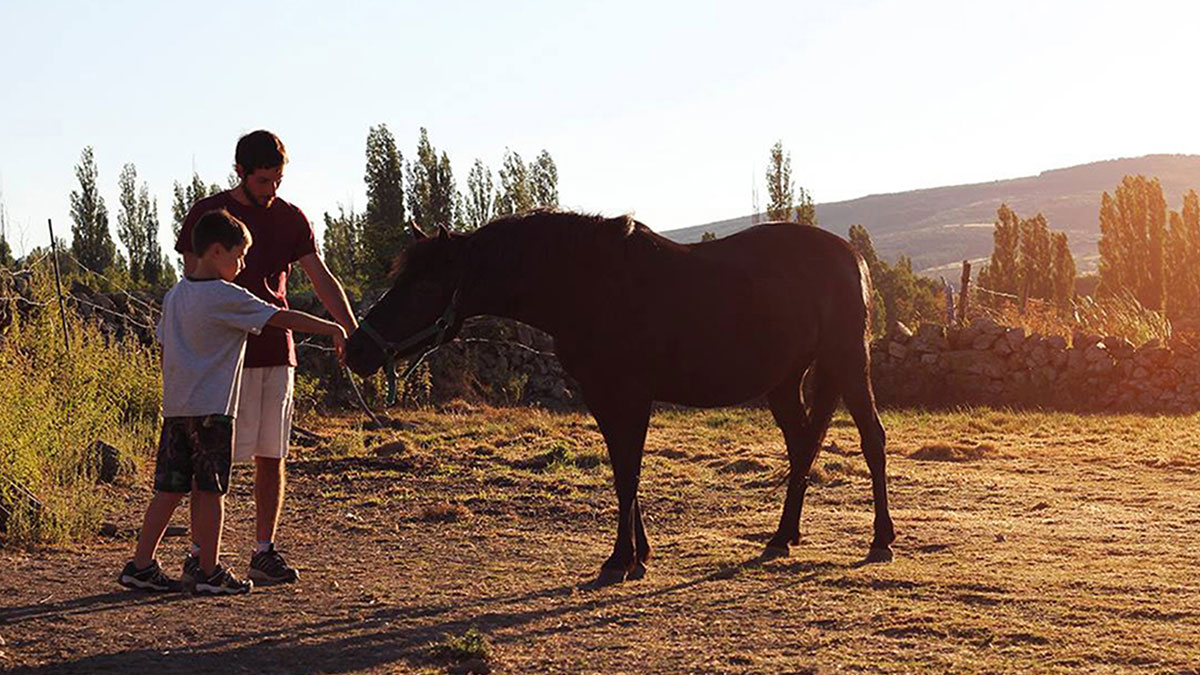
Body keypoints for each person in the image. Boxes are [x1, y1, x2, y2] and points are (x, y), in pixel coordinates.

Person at [119, 209, 347, 595]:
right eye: (239, 255)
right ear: (216, 252)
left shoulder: (175, 295)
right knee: (210, 490)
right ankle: (208, 570)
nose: (242, 264)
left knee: (169, 489)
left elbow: (163, 345)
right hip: (212, 412)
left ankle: (140, 565)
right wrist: (334, 327)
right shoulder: (226, 295)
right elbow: (279, 318)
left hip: (177, 409)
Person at [174, 130, 358, 585]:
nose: (271, 189)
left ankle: (263, 550)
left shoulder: (292, 219)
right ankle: (200, 556)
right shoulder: (208, 214)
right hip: (223, 359)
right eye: (262, 180)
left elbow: (319, 276)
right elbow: (191, 283)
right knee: (211, 460)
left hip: (277, 350)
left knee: (271, 454)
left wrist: (351, 330)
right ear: (239, 171)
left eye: (277, 180)